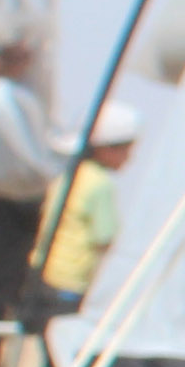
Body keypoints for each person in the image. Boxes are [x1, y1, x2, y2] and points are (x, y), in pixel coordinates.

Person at [28, 98, 137, 331]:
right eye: (126, 150)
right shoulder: (100, 184)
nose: (129, 158)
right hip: (69, 283)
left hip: (41, 274)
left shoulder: (66, 176)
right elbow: (105, 237)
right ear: (107, 149)